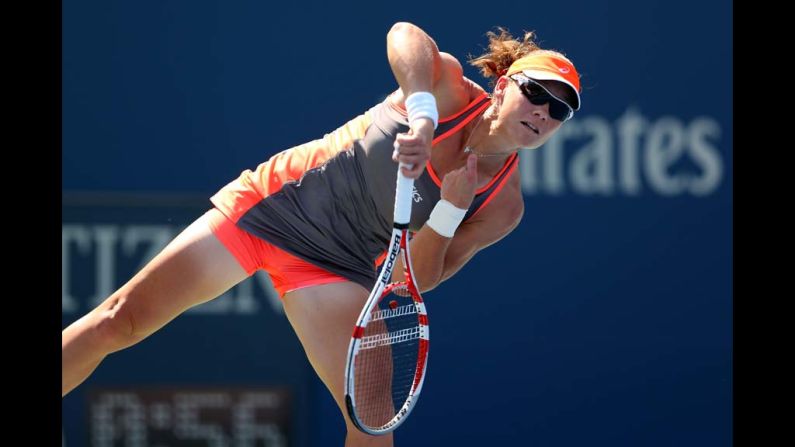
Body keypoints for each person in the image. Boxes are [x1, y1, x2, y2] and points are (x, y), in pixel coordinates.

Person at [62, 22, 581, 446]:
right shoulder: (446, 89)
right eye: (537, 93)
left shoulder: (503, 207)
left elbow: (414, 278)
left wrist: (448, 211)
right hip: (273, 208)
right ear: (502, 86)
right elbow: (404, 34)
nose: (544, 112)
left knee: (374, 426)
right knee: (119, 320)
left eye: (560, 110)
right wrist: (421, 119)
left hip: (336, 270)